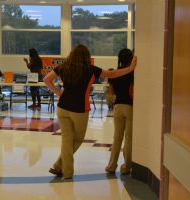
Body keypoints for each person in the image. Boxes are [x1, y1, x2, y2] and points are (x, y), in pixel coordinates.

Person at [43, 44, 137, 179]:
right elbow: (111, 74)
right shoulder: (90, 69)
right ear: (87, 56)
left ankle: (63, 169)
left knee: (66, 140)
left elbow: (47, 79)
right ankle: (61, 167)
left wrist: (58, 93)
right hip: (79, 109)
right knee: (78, 140)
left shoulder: (64, 67)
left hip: (62, 107)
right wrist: (131, 68)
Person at [105, 48, 134, 175]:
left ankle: (111, 166)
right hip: (130, 107)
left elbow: (112, 93)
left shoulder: (114, 73)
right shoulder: (133, 73)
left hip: (117, 107)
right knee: (128, 138)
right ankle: (126, 167)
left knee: (117, 138)